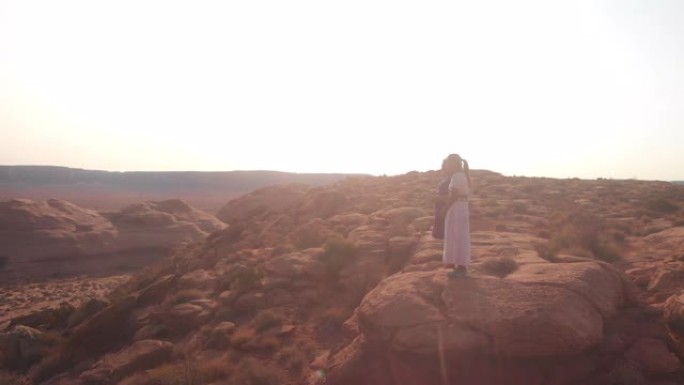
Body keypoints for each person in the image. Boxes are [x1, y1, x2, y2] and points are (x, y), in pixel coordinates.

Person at [439, 154, 472, 278]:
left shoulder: (457, 176)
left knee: (457, 236)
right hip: (461, 206)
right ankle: (457, 264)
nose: (446, 165)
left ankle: (461, 267)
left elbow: (453, 195)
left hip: (457, 207)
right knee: (458, 235)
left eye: (447, 163)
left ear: (453, 164)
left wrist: (445, 208)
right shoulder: (462, 175)